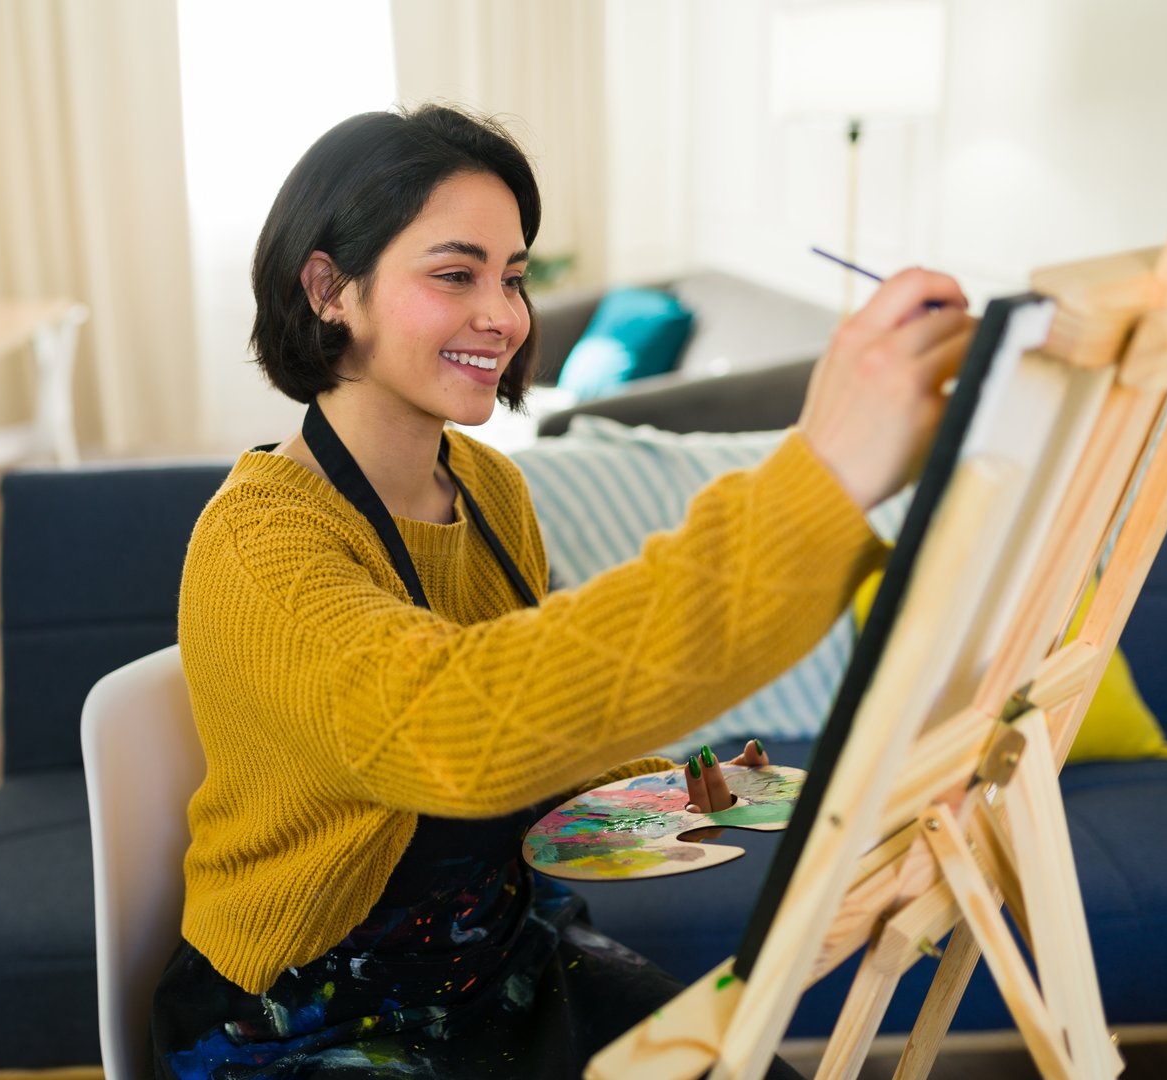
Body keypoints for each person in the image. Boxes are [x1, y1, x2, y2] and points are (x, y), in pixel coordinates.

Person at [152, 104, 972, 1079]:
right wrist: (820, 480)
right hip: (312, 1017)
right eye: (455, 274)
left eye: (514, 277)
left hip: (499, 959)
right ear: (329, 288)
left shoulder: (491, 488)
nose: (503, 315)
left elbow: (547, 762)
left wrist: (753, 799)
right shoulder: (261, 540)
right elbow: (460, 730)